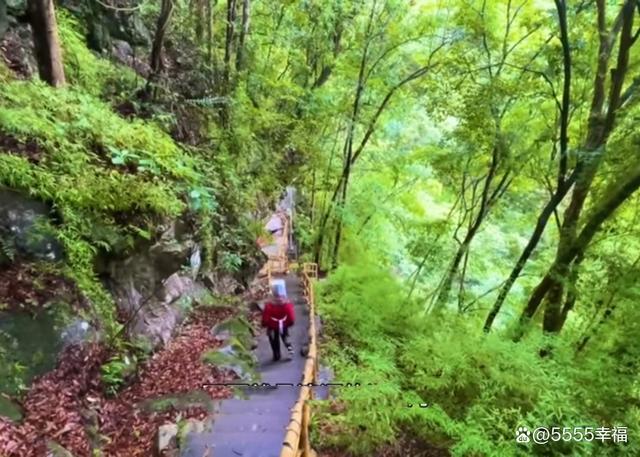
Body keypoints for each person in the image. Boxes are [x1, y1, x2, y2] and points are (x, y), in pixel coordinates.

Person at [262, 279, 295, 361]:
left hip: (272, 326)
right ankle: (290, 351)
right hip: (283, 325)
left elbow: (265, 318)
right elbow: (291, 317)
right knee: (286, 339)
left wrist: (265, 324)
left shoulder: (269, 305)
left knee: (274, 341)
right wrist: (289, 323)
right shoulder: (287, 305)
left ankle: (276, 354)